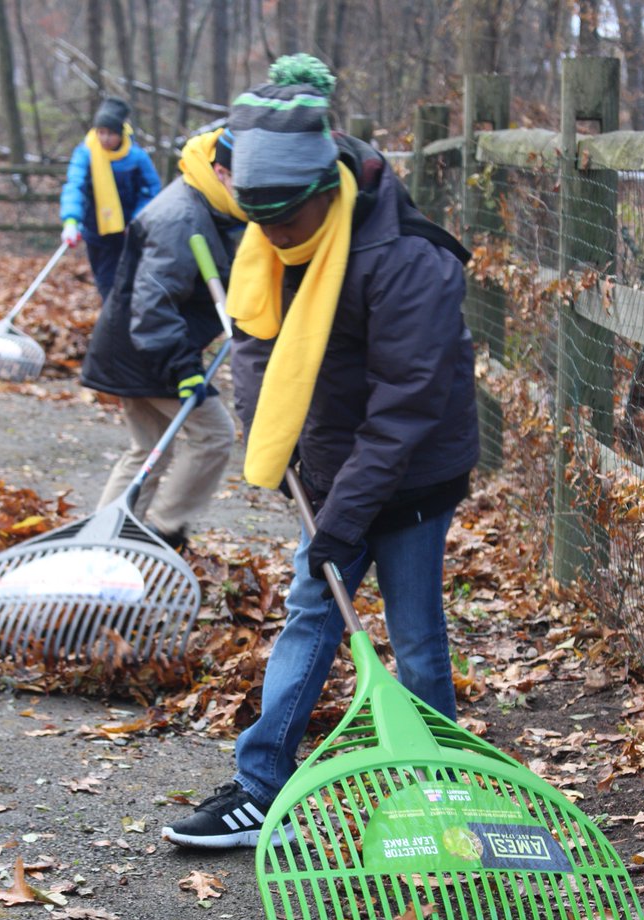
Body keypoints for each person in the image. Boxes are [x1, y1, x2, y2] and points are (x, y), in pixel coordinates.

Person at [162, 55, 479, 850]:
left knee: (415, 636)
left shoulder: (408, 258)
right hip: (333, 468)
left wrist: (341, 521)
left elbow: (404, 408)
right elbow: (256, 349)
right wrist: (278, 448)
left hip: (412, 477)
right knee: (310, 617)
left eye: (283, 220)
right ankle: (260, 787)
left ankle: (439, 791)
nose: (270, 236)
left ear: (323, 189)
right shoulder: (273, 247)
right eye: (257, 220)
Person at [80, 127, 245, 551]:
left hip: (136, 346)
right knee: (214, 434)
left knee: (147, 448)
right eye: (245, 178)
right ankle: (164, 530)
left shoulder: (211, 203)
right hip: (146, 350)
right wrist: (182, 369)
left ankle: (103, 541)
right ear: (221, 171)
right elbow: (153, 304)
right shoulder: (182, 217)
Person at [60, 96, 162, 300]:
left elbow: (151, 190)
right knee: (102, 279)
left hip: (126, 232)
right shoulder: (86, 153)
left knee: (118, 283)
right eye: (101, 132)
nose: (105, 138)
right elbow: (74, 185)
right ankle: (114, 313)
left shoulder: (136, 157)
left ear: (121, 133)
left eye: (111, 133)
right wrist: (71, 220)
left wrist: (137, 219)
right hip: (95, 230)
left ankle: (116, 315)